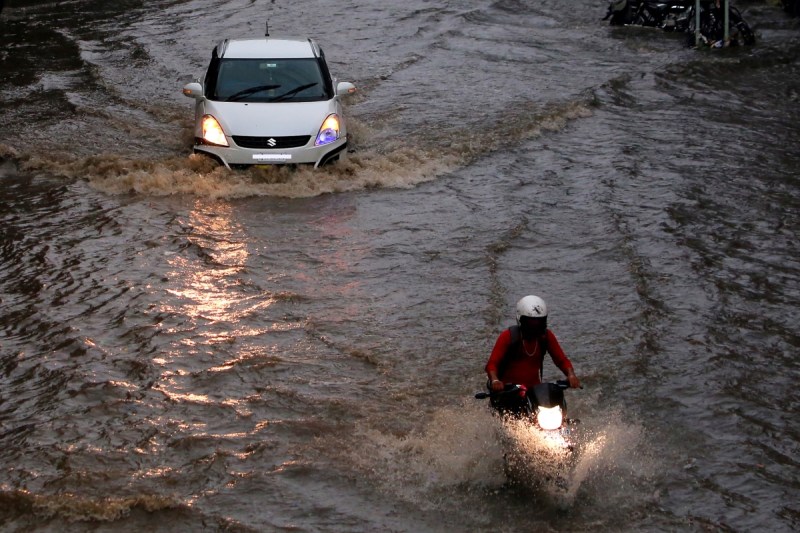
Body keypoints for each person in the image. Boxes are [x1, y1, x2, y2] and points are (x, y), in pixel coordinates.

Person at [485, 295, 581, 398]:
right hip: (508, 392)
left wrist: (571, 375)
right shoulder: (508, 336)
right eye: (530, 322)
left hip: (535, 392)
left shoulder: (546, 337)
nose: (535, 326)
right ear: (521, 321)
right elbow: (492, 364)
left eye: (539, 322)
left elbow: (561, 360)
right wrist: (495, 380)